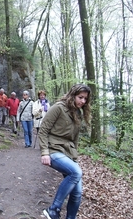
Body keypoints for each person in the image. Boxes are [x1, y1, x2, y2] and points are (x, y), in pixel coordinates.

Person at [39, 84, 91, 219]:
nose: (83, 101)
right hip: (53, 149)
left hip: (68, 153)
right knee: (76, 172)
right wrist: (44, 152)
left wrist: (74, 158)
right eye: (80, 97)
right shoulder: (58, 107)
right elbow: (43, 130)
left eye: (85, 99)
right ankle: (53, 209)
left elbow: (75, 139)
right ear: (72, 95)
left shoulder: (78, 113)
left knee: (77, 192)